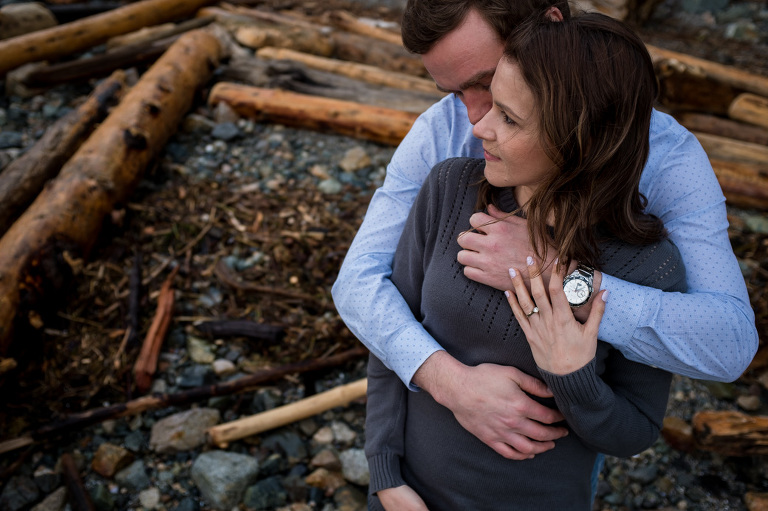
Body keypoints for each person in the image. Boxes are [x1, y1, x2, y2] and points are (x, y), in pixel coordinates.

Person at [331, 0, 757, 462]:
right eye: (455, 91)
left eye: (485, 81)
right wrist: (448, 384)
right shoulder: (442, 136)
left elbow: (729, 345)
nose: (475, 119)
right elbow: (359, 280)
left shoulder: (670, 161)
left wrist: (555, 277)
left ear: (551, 28)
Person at [365, 12, 686, 509]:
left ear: (579, 139)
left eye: (509, 117)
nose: (479, 127)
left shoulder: (648, 267)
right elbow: (388, 328)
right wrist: (385, 476)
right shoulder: (450, 190)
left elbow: (634, 433)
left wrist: (572, 375)